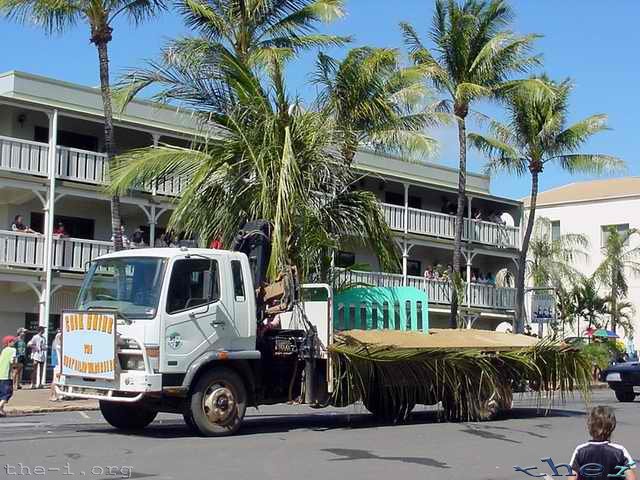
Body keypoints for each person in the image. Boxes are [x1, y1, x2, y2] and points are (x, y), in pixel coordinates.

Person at [569, 406, 636, 480]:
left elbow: (572, 476)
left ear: (589, 426)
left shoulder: (580, 451)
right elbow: (631, 477)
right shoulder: (620, 451)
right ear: (612, 427)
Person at [0, 336, 17, 417]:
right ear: (9, 342)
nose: (14, 342)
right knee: (8, 393)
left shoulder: (4, 350)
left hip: (0, 374)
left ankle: (1, 410)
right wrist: (15, 366)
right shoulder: (13, 350)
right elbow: (12, 361)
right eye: (13, 341)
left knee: (1, 393)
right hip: (6, 374)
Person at [49, 330, 62, 401]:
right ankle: (52, 395)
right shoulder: (56, 344)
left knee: (59, 380)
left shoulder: (58, 343)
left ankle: (57, 395)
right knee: (55, 380)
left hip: (59, 364)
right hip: (56, 364)